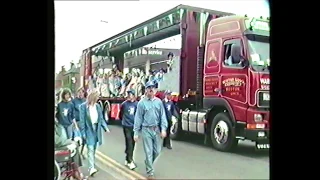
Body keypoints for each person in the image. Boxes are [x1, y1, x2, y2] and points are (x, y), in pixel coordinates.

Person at [133, 81, 168, 180]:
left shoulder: (159, 102)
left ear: (155, 90)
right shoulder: (141, 103)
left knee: (157, 151)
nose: (151, 90)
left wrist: (163, 129)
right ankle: (150, 172)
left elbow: (163, 116)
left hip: (156, 129)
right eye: (149, 88)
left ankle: (148, 163)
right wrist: (136, 132)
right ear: (146, 90)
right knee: (148, 151)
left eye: (153, 88)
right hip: (146, 129)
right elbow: (138, 118)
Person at [79, 89, 110, 176]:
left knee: (94, 149)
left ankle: (91, 164)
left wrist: (105, 128)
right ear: (93, 97)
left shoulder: (98, 106)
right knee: (90, 148)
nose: (98, 98)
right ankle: (91, 168)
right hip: (89, 129)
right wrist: (83, 133)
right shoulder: (83, 107)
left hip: (96, 129)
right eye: (97, 97)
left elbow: (101, 119)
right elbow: (82, 121)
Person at [119, 89, 138, 170]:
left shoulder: (137, 104)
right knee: (129, 141)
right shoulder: (124, 104)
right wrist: (123, 121)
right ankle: (130, 161)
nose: (129, 96)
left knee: (132, 144)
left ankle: (128, 158)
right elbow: (121, 114)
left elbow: (138, 115)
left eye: (131, 94)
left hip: (133, 126)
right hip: (126, 125)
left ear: (134, 95)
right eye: (128, 94)